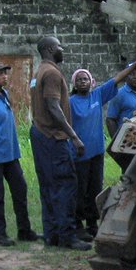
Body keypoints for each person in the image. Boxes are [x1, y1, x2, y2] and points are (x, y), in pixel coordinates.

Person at [69, 58, 136, 239]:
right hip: (79, 154)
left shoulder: (97, 95)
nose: (83, 82)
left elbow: (115, 79)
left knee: (95, 189)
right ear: (74, 83)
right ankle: (77, 225)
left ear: (92, 82)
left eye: (86, 79)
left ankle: (92, 223)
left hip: (96, 152)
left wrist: (134, 65)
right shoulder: (70, 102)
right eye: (79, 79)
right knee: (79, 190)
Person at [29, 36, 89, 250]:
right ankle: (67, 236)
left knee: (48, 186)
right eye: (59, 46)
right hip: (53, 138)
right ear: (49, 49)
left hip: (39, 134)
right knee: (65, 185)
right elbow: (53, 107)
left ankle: (51, 234)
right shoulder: (52, 73)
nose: (62, 50)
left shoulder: (38, 72)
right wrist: (74, 136)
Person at [0, 61, 40, 246]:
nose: (5, 76)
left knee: (20, 189)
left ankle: (24, 230)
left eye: (5, 73)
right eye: (0, 74)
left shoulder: (4, 94)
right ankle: (0, 234)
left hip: (10, 154)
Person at [105, 61, 136, 171]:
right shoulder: (119, 94)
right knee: (129, 173)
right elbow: (110, 119)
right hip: (127, 144)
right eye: (132, 74)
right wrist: (117, 142)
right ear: (126, 76)